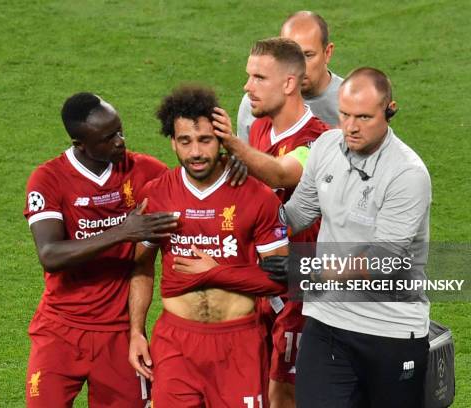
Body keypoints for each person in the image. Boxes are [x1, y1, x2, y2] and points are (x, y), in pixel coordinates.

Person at [277, 67, 432, 407]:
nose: (350, 127)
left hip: (391, 332)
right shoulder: (326, 146)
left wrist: (313, 271)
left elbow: (384, 260)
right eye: (345, 115)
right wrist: (250, 223)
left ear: (390, 111)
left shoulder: (407, 174)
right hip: (328, 323)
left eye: (363, 117)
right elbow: (298, 214)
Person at [128, 85, 289, 407]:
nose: (196, 152)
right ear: (173, 142)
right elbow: (141, 266)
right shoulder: (157, 195)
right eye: (185, 141)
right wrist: (136, 331)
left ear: (220, 139)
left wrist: (216, 273)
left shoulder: (256, 195)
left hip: (239, 342)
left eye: (204, 140)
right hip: (176, 342)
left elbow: (281, 278)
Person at [22, 92, 181, 407]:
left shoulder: (147, 172)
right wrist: (122, 232)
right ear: (80, 144)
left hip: (119, 334)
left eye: (120, 131)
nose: (120, 142)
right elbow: (50, 254)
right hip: (59, 330)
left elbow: (190, 196)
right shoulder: (48, 179)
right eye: (108, 138)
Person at [212, 37, 329, 407]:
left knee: (286, 393)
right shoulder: (263, 129)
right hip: (266, 282)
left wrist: (230, 142)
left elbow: (281, 174)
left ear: (289, 83)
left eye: (259, 77)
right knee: (257, 386)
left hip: (302, 290)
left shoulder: (320, 140)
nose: (247, 87)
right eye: (249, 76)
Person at [237, 10, 343, 141]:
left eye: (308, 55)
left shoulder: (352, 103)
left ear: (327, 53)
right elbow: (245, 159)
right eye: (290, 56)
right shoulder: (255, 101)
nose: (298, 66)